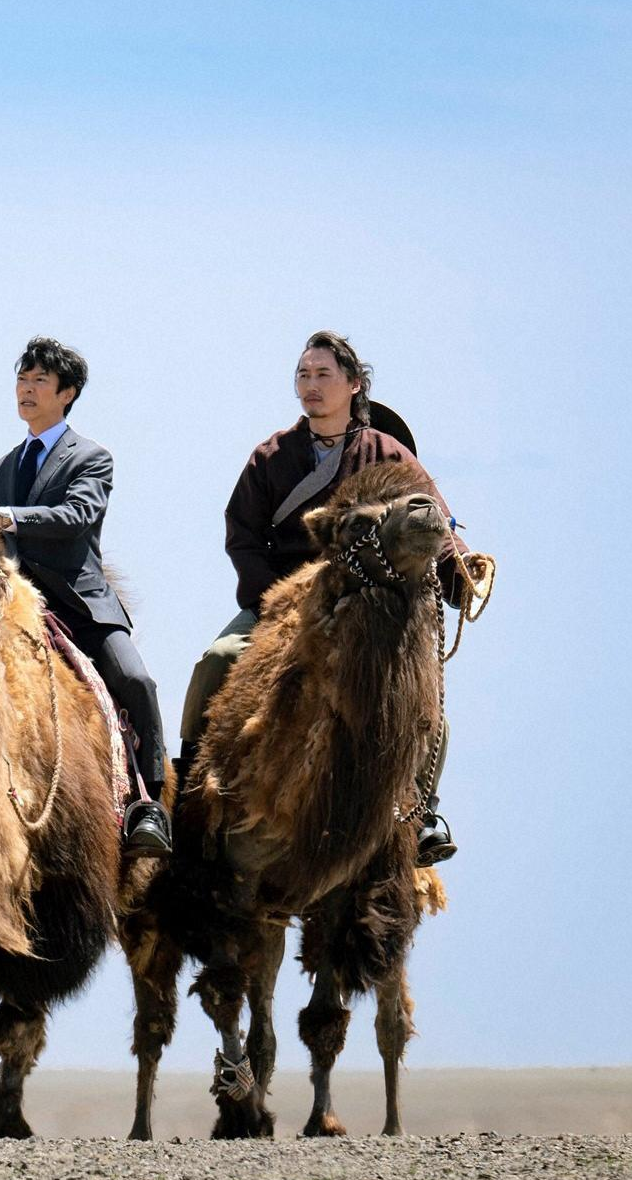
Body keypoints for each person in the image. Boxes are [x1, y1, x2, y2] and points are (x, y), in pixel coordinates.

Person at [179, 330, 470, 865]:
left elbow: (434, 523)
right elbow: (243, 533)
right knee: (216, 659)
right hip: (286, 599)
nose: (310, 385)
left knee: (429, 712)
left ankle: (421, 815)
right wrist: (270, 597)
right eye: (303, 375)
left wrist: (462, 574)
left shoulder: (389, 455)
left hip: (369, 604)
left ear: (354, 384)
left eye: (322, 375)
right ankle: (188, 781)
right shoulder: (271, 456)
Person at [0, 337, 173, 859]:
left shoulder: (92, 457)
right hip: (19, 606)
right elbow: (2, 548)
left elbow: (76, 517)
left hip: (82, 605)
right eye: (22, 379)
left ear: (67, 393)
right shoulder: (0, 470)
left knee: (136, 680)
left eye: (40, 381)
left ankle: (150, 806)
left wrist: (9, 517)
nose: (26, 389)